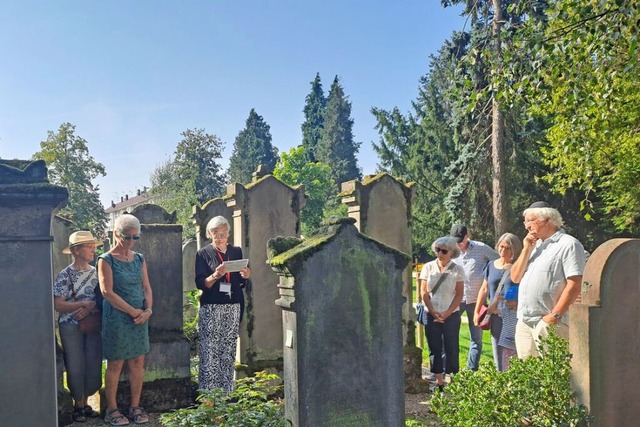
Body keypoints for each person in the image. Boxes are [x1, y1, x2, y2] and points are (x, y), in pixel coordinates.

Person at [510, 201, 586, 359]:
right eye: (526, 221)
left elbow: (575, 284)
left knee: (553, 376)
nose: (527, 226)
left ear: (547, 219)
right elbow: (515, 277)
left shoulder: (568, 244)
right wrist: (526, 249)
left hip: (549, 322)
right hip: (524, 321)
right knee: (526, 375)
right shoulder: (534, 246)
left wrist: (554, 316)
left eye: (530, 221)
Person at [98, 214, 153, 426]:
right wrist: (133, 311)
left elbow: (146, 287)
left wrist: (148, 310)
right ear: (115, 234)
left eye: (135, 237)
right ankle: (111, 409)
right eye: (126, 237)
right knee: (115, 363)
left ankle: (135, 406)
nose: (130, 241)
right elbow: (107, 292)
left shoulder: (139, 259)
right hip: (118, 317)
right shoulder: (106, 259)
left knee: (138, 362)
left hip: (140, 316)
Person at [195, 216, 251, 394]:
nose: (219, 237)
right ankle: (208, 396)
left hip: (233, 304)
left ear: (228, 234)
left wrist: (245, 276)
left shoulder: (236, 252)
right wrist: (216, 275)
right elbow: (202, 284)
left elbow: (240, 284)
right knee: (210, 350)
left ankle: (226, 394)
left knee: (228, 350)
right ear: (209, 234)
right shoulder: (203, 254)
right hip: (211, 306)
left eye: (223, 234)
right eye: (215, 234)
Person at [53, 231, 104, 423]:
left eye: (93, 246)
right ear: (76, 250)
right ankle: (79, 405)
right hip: (70, 326)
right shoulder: (64, 276)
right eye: (89, 246)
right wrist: (82, 305)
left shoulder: (97, 272)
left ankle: (87, 400)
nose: (93, 249)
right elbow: (59, 304)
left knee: (93, 362)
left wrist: (92, 307)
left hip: (92, 323)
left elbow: (102, 298)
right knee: (75, 364)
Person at [419, 236, 465, 392]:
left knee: (452, 346)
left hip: (451, 313)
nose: (440, 253)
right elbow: (423, 292)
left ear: (452, 252)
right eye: (437, 250)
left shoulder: (457, 269)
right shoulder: (428, 267)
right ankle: (439, 382)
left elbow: (459, 294)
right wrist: (433, 312)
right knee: (434, 347)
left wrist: (446, 313)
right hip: (430, 312)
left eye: (444, 251)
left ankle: (453, 379)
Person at [450, 225, 499, 371]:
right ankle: (449, 368)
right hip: (456, 299)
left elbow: (498, 261)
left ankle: (471, 370)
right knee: (449, 334)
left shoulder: (481, 248)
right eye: (455, 241)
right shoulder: (451, 249)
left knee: (476, 338)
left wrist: (489, 278)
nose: (458, 244)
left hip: (476, 300)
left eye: (461, 240)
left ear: (467, 236)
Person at [473, 233, 522, 371]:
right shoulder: (491, 265)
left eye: (507, 248)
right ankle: (501, 383)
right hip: (495, 316)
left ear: (514, 249)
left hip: (513, 316)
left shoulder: (518, 267)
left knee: (513, 353)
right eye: (501, 247)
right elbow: (484, 288)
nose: (503, 251)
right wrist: (477, 312)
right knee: (498, 353)